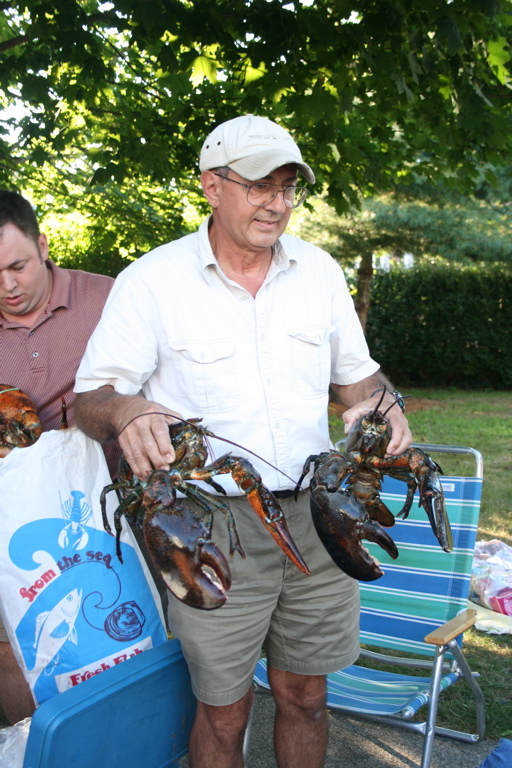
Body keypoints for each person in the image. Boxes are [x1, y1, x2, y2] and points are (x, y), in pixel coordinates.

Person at [74, 114, 412, 768]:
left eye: (288, 188)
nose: (277, 204)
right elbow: (90, 400)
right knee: (223, 713)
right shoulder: (153, 280)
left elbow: (360, 380)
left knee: (307, 695)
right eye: (260, 186)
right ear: (212, 185)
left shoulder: (318, 272)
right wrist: (128, 410)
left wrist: (384, 405)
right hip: (207, 526)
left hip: (319, 515)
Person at [0, 190, 119, 725]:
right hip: (12, 520)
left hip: (111, 514)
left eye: (18, 267)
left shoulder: (109, 297)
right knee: (10, 642)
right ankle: (31, 745)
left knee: (116, 629)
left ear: (44, 246)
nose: (7, 286)